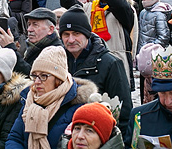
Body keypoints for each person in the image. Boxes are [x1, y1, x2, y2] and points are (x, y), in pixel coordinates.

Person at [6, 46, 96, 149]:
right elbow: (14, 139)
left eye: (44, 76)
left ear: (59, 79)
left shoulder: (79, 107)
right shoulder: (29, 101)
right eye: (34, 76)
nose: (37, 82)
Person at [57, 8, 133, 140]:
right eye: (66, 34)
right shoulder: (57, 60)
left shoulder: (110, 63)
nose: (70, 39)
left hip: (96, 138)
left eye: (76, 33)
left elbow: (124, 111)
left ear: (87, 34)